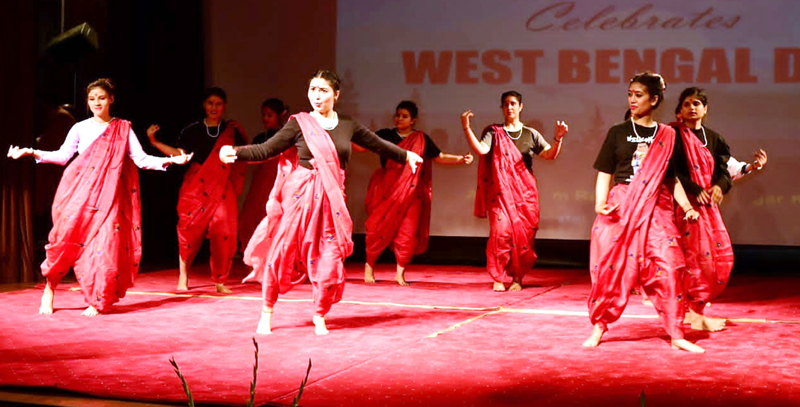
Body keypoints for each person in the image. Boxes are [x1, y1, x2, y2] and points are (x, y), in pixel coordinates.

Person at [219, 70, 423, 335]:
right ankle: (267, 311)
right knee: (280, 256)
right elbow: (267, 149)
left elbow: (377, 144)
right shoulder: (299, 124)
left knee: (330, 261)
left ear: (336, 95)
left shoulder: (347, 124)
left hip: (332, 201)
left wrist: (406, 154)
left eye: (323, 90)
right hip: (300, 199)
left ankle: (319, 314)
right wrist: (235, 152)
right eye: (313, 89)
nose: (317, 95)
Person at [7, 78, 191, 316]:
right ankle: (49, 289)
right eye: (92, 98)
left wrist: (171, 160)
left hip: (109, 197)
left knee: (104, 246)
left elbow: (141, 159)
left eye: (101, 98)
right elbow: (63, 156)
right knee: (64, 240)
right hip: (78, 193)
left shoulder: (122, 128)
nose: (96, 102)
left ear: (111, 99)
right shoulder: (80, 128)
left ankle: (96, 298)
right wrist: (30, 152)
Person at [584, 72, 705, 353]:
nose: (632, 99)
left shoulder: (668, 135)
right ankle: (599, 327)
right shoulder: (617, 131)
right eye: (630, 94)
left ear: (654, 99)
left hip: (657, 207)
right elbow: (605, 171)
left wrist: (686, 206)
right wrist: (599, 202)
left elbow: (672, 179)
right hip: (622, 205)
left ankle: (677, 333)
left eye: (638, 95)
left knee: (670, 264)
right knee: (612, 269)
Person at [461, 91, 568, 291]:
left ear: (520, 107)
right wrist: (467, 128)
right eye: (505, 104)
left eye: (513, 104)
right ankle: (499, 277)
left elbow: (549, 155)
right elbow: (482, 150)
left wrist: (558, 139)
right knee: (500, 233)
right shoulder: (494, 133)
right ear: (502, 108)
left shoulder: (531, 134)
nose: (509, 107)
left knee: (524, 237)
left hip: (525, 195)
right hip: (500, 194)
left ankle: (518, 278)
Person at [147, 87, 248, 293]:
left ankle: (220, 280)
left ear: (224, 106)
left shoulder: (232, 131)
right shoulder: (192, 130)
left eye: (218, 104)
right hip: (195, 187)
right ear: (204, 105)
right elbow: (180, 154)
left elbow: (243, 155)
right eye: (210, 103)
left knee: (224, 229)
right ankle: (183, 276)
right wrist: (155, 143)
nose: (214, 107)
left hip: (221, 186)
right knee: (188, 230)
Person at [363, 100, 473, 286]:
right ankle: (369, 267)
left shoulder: (421, 139)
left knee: (408, 231)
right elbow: (362, 145)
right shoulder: (385, 135)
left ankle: (400, 273)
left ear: (413, 120)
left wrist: (461, 159)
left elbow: (439, 157)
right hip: (386, 189)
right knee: (378, 228)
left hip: (412, 192)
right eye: (397, 115)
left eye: (404, 116)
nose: (399, 119)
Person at [238, 98, 288, 250]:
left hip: (281, 184)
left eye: (270, 115)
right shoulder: (260, 138)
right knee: (251, 218)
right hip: (260, 186)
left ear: (281, 115)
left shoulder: (287, 136)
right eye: (264, 115)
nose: (265, 118)